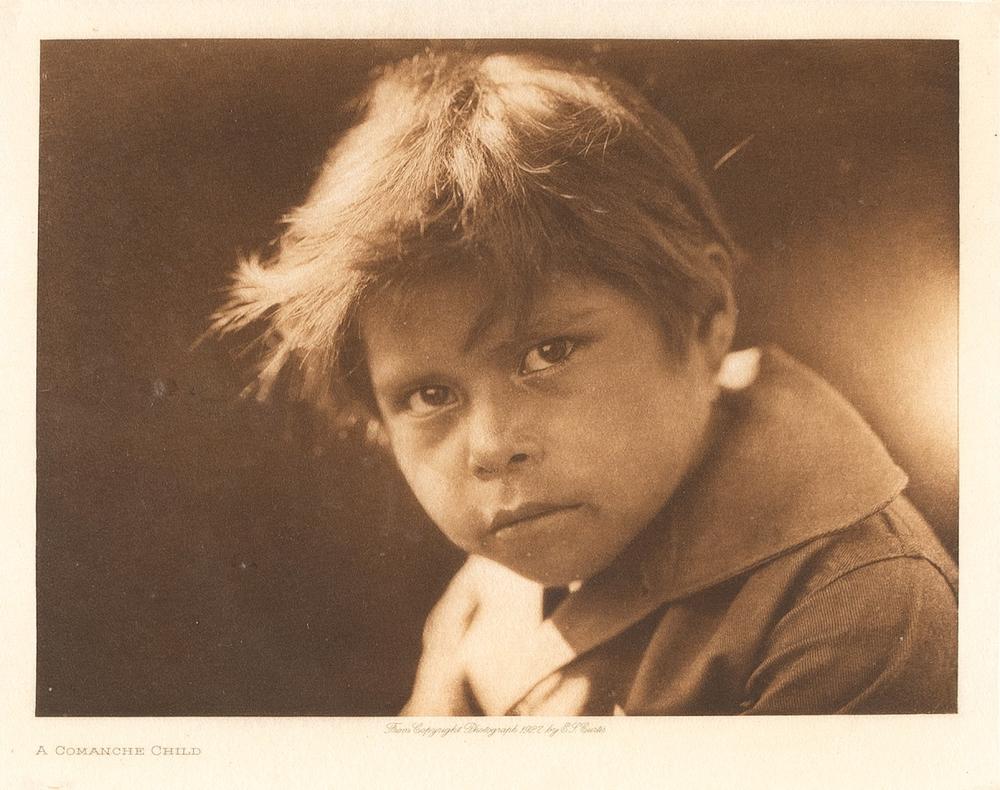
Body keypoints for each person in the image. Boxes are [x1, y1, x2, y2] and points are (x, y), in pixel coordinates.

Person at [209, 50, 958, 715]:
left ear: (705, 317)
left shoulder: (864, 610)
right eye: (431, 396)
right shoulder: (505, 571)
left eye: (549, 352)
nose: (493, 448)